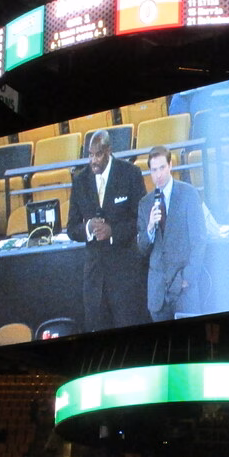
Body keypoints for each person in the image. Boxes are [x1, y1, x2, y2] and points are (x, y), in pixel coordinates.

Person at [67, 129, 148, 330]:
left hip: (126, 274)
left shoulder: (130, 173)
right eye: (90, 155)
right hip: (94, 278)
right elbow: (71, 228)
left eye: (98, 154)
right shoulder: (80, 181)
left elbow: (141, 219)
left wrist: (113, 232)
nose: (93, 160)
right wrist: (88, 228)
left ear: (109, 151)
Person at [137, 145, 207, 321]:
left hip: (184, 291)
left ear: (170, 166)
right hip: (158, 295)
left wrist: (187, 278)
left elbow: (199, 240)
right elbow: (142, 248)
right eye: (154, 170)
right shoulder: (145, 203)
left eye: (162, 168)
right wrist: (150, 227)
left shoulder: (188, 194)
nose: (158, 174)